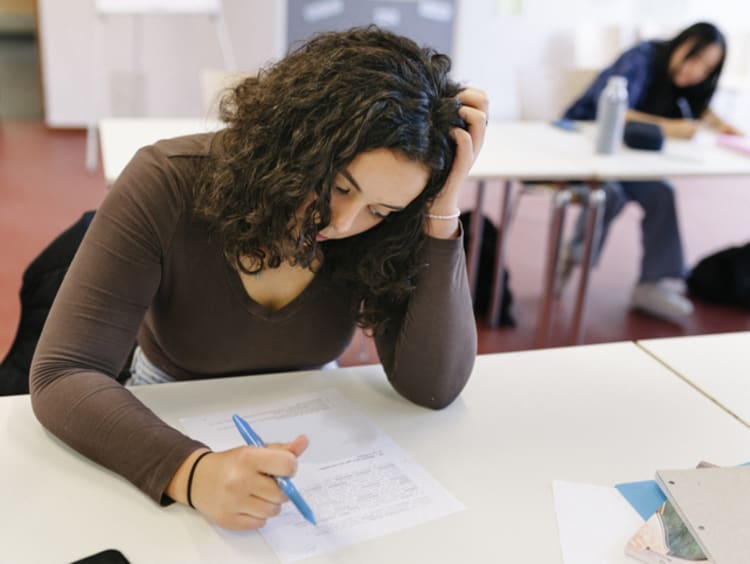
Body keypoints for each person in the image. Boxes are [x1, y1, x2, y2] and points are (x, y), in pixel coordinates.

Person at [29, 27, 487, 531]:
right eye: (337, 186)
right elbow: (63, 373)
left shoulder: (385, 231)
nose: (343, 223)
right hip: (164, 412)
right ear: (298, 139)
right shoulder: (168, 180)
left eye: (379, 208)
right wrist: (193, 471)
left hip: (311, 424)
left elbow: (433, 387)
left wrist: (440, 212)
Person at [559, 22, 740, 320]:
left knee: (661, 193)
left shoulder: (682, 81)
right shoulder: (642, 59)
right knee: (609, 193)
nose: (697, 72)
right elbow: (617, 111)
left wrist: (721, 127)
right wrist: (673, 129)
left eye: (707, 70)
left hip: (630, 160)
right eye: (695, 59)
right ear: (683, 43)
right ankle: (576, 251)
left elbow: (700, 110)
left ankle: (652, 282)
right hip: (585, 151)